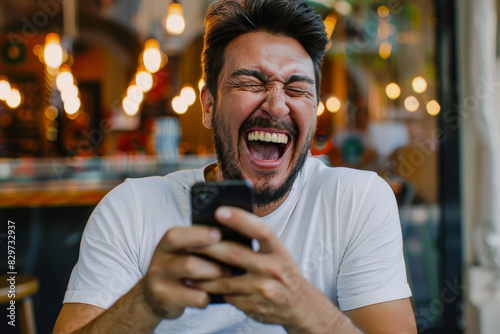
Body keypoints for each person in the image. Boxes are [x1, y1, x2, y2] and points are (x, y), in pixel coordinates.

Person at [54, 0, 417, 333]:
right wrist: (144, 302)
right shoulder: (130, 208)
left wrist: (306, 310)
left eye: (296, 89)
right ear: (209, 105)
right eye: (251, 82)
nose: (276, 106)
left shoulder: (357, 201)